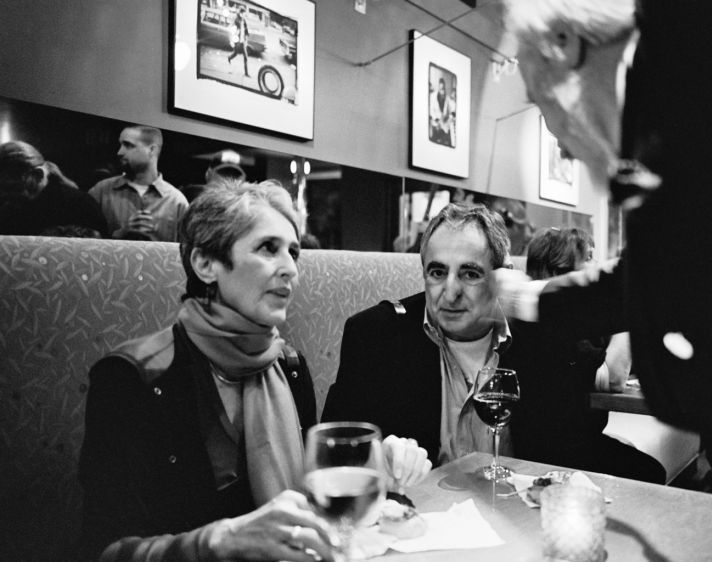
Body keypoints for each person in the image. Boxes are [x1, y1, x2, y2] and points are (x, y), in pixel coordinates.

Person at [502, 1, 712, 559]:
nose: (560, 141)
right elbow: (646, 279)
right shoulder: (667, 120)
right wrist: (530, 296)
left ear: (566, 46)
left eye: (543, 105)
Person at [77, 181, 430, 561]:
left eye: (294, 253)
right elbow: (103, 549)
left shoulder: (290, 367)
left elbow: (316, 503)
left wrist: (380, 471)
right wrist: (219, 542)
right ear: (205, 263)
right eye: (268, 249)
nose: (291, 269)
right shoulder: (135, 378)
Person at [322, 202, 664, 484]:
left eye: (470, 274)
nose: (451, 292)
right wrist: (379, 457)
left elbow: (581, 430)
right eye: (437, 272)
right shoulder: (376, 337)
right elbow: (331, 454)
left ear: (502, 275)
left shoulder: (540, 332)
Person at [526, 227, 630, 394]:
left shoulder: (585, 320)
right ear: (560, 273)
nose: (597, 265)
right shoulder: (553, 326)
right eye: (588, 258)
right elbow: (613, 378)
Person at [88, 125, 188, 241]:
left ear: (152, 150)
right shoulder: (101, 192)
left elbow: (186, 252)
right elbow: (82, 244)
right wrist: (120, 234)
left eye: (128, 145)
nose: (120, 152)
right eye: (120, 145)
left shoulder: (176, 202)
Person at [0, 141, 107, 237]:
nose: (4, 194)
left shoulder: (79, 205)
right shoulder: (8, 207)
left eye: (11, 188)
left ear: (38, 175)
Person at [428, 78, 453, 146]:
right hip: (435, 124)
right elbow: (431, 109)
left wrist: (449, 118)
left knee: (443, 143)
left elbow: (452, 108)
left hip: (443, 125)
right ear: (438, 88)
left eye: (443, 88)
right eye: (441, 88)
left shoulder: (447, 98)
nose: (442, 90)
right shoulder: (433, 96)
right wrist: (437, 119)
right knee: (433, 143)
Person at [227, 6, 250, 77]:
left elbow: (246, 30)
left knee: (246, 57)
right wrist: (231, 41)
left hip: (242, 41)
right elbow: (231, 30)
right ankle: (229, 58)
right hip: (237, 41)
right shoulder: (236, 19)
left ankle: (246, 73)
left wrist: (246, 39)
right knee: (235, 53)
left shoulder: (244, 20)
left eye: (245, 14)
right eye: (243, 13)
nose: (244, 15)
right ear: (240, 13)